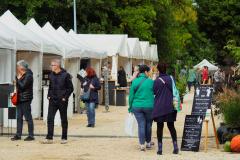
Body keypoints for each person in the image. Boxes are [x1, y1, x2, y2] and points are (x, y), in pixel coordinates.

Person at [43, 59, 73, 144]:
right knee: (50, 118)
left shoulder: (66, 75)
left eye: (53, 65)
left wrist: (65, 97)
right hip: (52, 100)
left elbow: (70, 88)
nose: (51, 67)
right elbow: (50, 86)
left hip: (62, 100)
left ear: (58, 66)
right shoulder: (51, 75)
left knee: (63, 118)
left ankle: (64, 137)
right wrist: (48, 95)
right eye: (51, 65)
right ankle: (49, 138)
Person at [152, 63, 179, 155]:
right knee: (171, 126)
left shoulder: (156, 81)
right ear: (166, 69)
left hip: (159, 107)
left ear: (158, 70)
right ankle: (175, 146)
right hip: (170, 106)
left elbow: (154, 92)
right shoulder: (171, 79)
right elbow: (174, 89)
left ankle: (160, 149)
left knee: (160, 127)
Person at [128, 65, 154, 151]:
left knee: (141, 125)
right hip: (149, 106)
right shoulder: (151, 82)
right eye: (149, 71)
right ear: (146, 72)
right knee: (148, 124)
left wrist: (130, 107)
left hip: (137, 106)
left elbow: (131, 96)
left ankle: (142, 144)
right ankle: (148, 143)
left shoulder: (135, 81)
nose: (150, 73)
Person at [11, 60, 35, 141]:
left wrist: (17, 80)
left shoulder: (29, 75)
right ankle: (18, 135)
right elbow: (19, 87)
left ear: (21, 67)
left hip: (25, 99)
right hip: (19, 99)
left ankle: (31, 135)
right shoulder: (21, 75)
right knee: (18, 117)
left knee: (28, 118)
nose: (17, 68)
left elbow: (23, 86)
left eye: (18, 66)